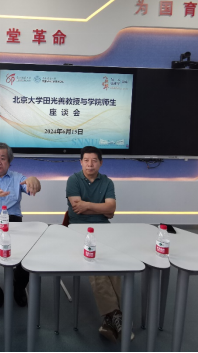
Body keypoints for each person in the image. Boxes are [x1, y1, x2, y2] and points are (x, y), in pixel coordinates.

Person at [66, 145, 129, 343]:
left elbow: (111, 209)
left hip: (104, 229)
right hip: (78, 229)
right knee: (96, 265)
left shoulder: (107, 182)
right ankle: (115, 315)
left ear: (100, 163)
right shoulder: (73, 180)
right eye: (86, 160)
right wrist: (101, 208)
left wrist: (88, 205)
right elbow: (77, 209)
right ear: (81, 162)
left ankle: (113, 317)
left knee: (113, 264)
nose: (90, 164)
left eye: (94, 160)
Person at [0, 142, 41, 307]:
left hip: (14, 223)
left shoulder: (17, 178)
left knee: (29, 255)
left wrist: (34, 180)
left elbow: (33, 187)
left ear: (9, 161)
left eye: (2, 158)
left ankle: (18, 285)